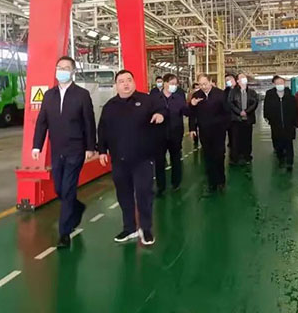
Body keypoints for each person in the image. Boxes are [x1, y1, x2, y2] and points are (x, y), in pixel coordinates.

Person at [32, 56, 96, 249]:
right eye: (59, 67)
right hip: (57, 149)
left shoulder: (82, 95)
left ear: (73, 72)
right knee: (60, 188)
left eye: (66, 68)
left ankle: (64, 233)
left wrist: (90, 147)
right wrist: (37, 146)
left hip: (76, 149)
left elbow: (89, 123)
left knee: (68, 189)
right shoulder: (48, 95)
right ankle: (77, 207)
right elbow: (42, 122)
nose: (62, 71)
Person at [98, 70, 165, 246]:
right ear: (116, 85)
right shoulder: (110, 106)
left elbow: (162, 108)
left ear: (134, 82)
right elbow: (102, 130)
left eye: (129, 80)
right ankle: (129, 228)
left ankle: (146, 228)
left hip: (143, 158)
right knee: (124, 195)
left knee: (144, 193)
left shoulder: (147, 100)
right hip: (119, 160)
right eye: (121, 81)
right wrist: (102, 150)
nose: (126, 84)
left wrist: (160, 115)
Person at [189, 74, 230, 196]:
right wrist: (192, 128)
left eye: (205, 84)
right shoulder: (196, 96)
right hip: (204, 131)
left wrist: (225, 126)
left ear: (211, 81)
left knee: (219, 155)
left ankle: (221, 181)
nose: (203, 87)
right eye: (200, 84)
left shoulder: (220, 94)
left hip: (219, 131)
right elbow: (192, 114)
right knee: (208, 157)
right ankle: (211, 183)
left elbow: (227, 112)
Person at [154, 73, 190, 196]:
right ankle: (161, 186)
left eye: (175, 84)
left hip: (175, 134)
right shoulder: (154, 99)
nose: (174, 86)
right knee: (159, 161)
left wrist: (192, 105)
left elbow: (186, 112)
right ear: (165, 83)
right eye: (171, 83)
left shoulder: (179, 98)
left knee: (176, 159)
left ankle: (176, 183)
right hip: (159, 135)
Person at [263, 76, 298, 171]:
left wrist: (295, 122)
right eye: (277, 83)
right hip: (276, 124)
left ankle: (289, 162)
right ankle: (281, 159)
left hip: (288, 124)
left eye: (281, 83)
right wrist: (267, 117)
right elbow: (266, 107)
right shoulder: (270, 95)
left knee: (289, 143)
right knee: (278, 143)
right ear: (274, 84)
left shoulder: (290, 96)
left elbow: (295, 109)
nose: (280, 85)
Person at [228, 73, 259, 165]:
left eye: (244, 77)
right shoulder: (233, 92)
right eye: (241, 77)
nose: (244, 79)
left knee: (247, 139)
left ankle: (247, 156)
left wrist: (246, 112)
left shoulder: (252, 92)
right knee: (236, 140)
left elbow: (255, 103)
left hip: (248, 119)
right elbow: (230, 103)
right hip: (236, 119)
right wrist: (239, 112)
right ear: (237, 81)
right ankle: (235, 158)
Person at [224, 73, 237, 149]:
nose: (227, 82)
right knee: (231, 135)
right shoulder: (225, 92)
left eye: (229, 80)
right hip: (229, 118)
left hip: (239, 117)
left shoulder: (240, 90)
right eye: (226, 80)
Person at [189, 82, 201, 149]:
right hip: (194, 116)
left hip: (201, 117)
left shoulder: (201, 96)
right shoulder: (191, 96)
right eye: (196, 88)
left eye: (198, 88)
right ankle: (195, 140)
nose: (197, 89)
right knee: (194, 128)